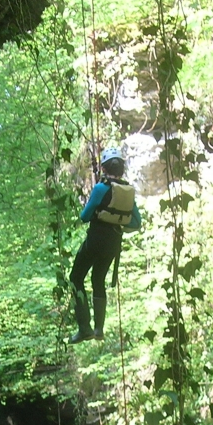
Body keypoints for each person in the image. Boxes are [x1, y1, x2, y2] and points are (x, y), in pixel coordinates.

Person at [69, 146, 142, 344]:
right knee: (98, 281)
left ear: (104, 168)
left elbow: (84, 217)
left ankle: (85, 328)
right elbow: (137, 223)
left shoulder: (101, 188)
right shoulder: (128, 193)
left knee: (75, 278)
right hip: (113, 245)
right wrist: (117, 223)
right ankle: (99, 329)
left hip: (95, 241)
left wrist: (96, 210)